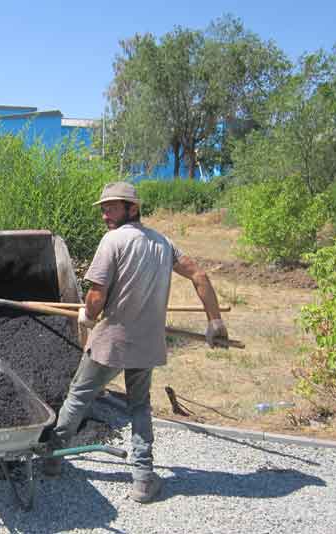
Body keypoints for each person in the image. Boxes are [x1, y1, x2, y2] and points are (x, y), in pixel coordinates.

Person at [44, 181, 228, 504]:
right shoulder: (163, 243)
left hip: (111, 343)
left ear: (133, 208)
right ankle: (143, 479)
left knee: (78, 397)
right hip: (146, 344)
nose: (104, 215)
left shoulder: (113, 241)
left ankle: (52, 459)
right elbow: (199, 275)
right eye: (103, 208)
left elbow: (97, 296)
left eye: (111, 207)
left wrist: (87, 314)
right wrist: (215, 321)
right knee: (139, 407)